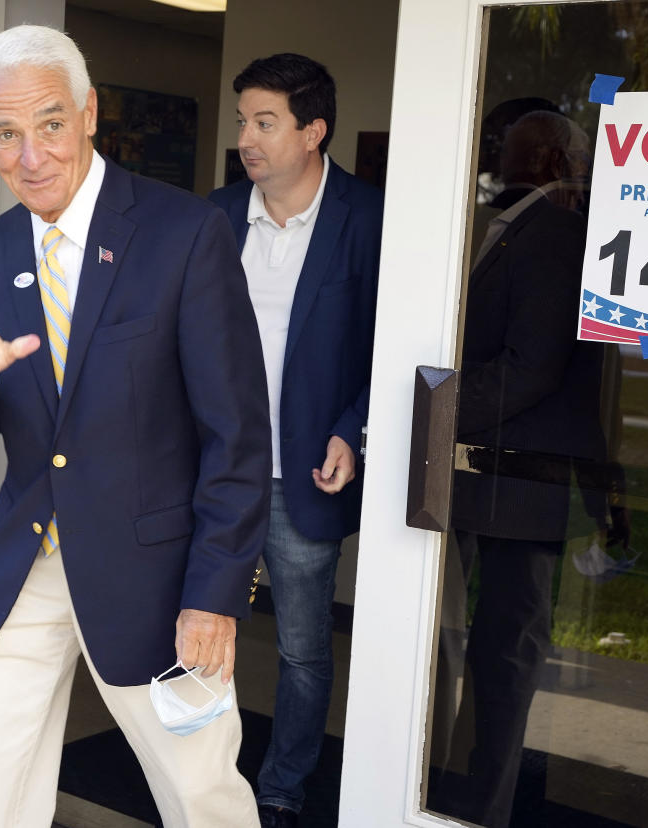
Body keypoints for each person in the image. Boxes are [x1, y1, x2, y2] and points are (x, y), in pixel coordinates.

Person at [0, 25, 271, 828]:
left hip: (157, 577)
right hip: (29, 562)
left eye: (48, 123)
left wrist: (215, 593)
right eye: (7, 134)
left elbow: (238, 435)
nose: (30, 155)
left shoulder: (183, 235)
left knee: (201, 795)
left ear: (89, 114)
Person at [427, 109, 620, 828]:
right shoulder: (507, 225)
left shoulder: (559, 235)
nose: (498, 159)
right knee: (458, 645)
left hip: (529, 484)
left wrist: (434, 411)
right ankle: (448, 789)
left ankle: (480, 807)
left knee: (505, 657)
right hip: (482, 480)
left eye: (512, 148)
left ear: (548, 157)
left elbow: (531, 368)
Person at [207, 53, 382, 828]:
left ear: (313, 131)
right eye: (243, 119)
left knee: (304, 654)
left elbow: (396, 345)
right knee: (198, 636)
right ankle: (203, 782)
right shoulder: (210, 219)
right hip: (215, 475)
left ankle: (281, 788)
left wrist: (354, 428)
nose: (246, 136)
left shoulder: (368, 219)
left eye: (264, 121)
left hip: (305, 477)